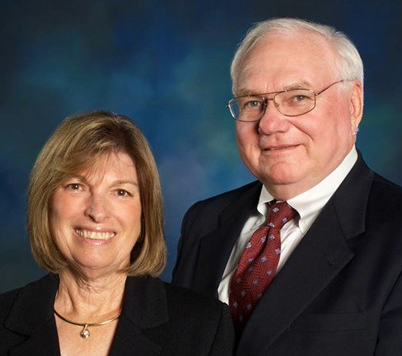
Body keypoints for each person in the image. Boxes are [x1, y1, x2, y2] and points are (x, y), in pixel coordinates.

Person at [172, 18, 402, 355]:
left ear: (354, 105)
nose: (269, 123)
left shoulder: (395, 233)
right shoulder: (205, 221)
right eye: (253, 102)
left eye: (297, 97)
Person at [0, 111, 234, 356]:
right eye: (76, 186)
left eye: (121, 192)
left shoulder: (203, 328)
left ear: (145, 212)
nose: (97, 212)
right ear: (47, 202)